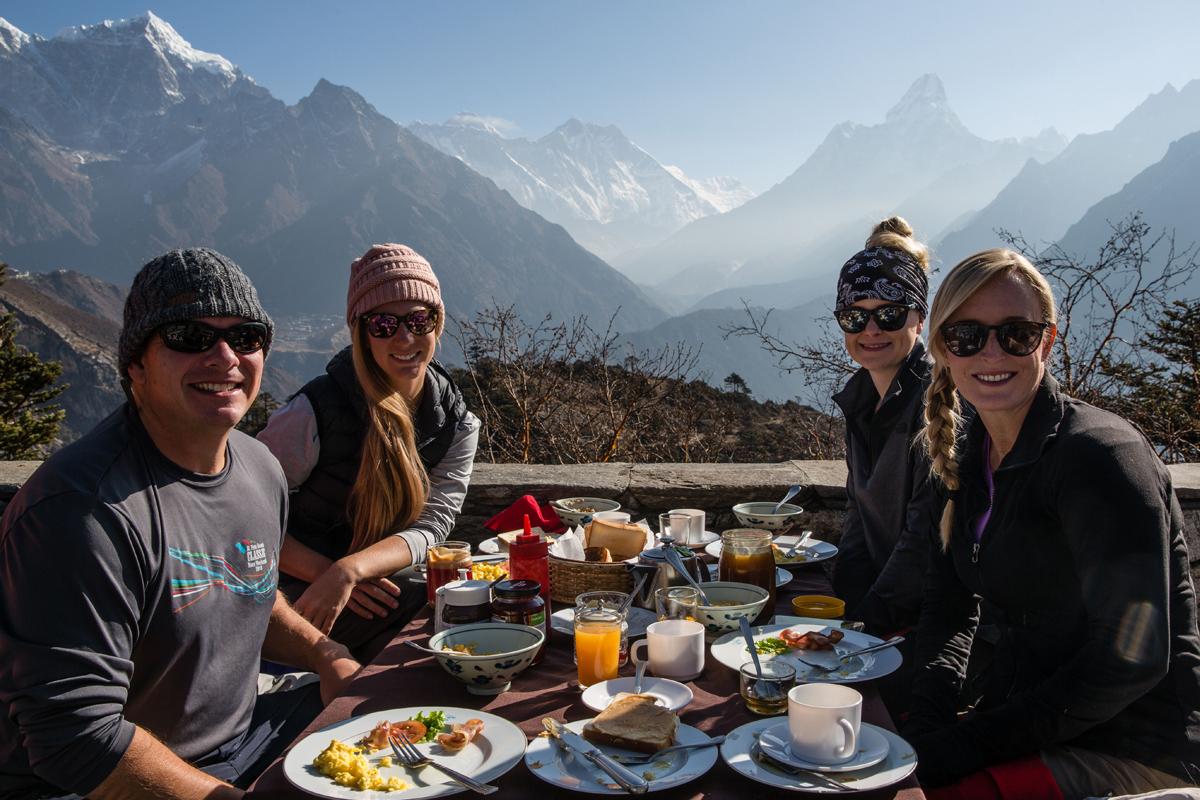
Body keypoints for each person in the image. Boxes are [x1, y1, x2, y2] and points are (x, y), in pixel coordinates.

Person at [0, 248, 361, 799]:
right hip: (103, 783)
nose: (224, 356)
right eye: (188, 336)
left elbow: (246, 592)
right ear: (135, 366)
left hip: (243, 739)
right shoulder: (83, 512)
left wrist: (324, 654)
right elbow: (74, 737)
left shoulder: (259, 468)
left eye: (245, 337)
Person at [906, 248, 1200, 798]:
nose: (991, 351)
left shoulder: (1100, 459)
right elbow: (948, 608)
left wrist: (958, 749)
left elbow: (1131, 659)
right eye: (966, 335)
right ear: (942, 349)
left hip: (1134, 750)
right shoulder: (966, 458)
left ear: (1048, 340)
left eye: (1015, 333)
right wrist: (923, 732)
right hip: (1028, 724)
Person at [258, 243, 479, 658]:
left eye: (420, 319)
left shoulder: (457, 423)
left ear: (438, 324)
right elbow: (244, 520)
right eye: (383, 324)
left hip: (371, 585)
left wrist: (352, 569)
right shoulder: (312, 415)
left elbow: (434, 525)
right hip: (293, 600)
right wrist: (328, 575)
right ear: (360, 330)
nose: (406, 336)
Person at [830, 216, 939, 640]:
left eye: (889, 315)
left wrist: (862, 624)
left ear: (920, 318)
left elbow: (923, 535)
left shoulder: (939, 403)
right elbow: (858, 516)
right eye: (854, 317)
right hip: (881, 615)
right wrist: (841, 609)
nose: (871, 330)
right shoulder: (860, 400)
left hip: (925, 625)